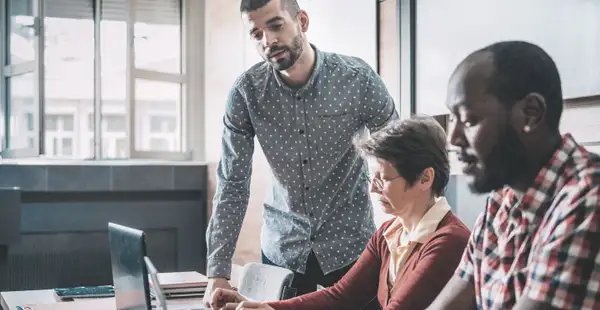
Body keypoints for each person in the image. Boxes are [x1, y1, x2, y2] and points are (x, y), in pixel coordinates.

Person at [203, 0, 398, 307]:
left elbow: (397, 154)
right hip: (283, 254)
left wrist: (406, 237)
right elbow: (232, 183)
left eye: (275, 25)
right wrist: (218, 270)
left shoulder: (358, 79)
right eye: (256, 33)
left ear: (302, 21)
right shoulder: (246, 93)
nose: (267, 41)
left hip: (352, 251)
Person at [209, 116, 471, 310]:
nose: (372, 188)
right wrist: (267, 308)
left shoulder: (449, 242)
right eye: (371, 177)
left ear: (425, 178)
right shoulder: (389, 233)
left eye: (383, 179)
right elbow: (342, 295)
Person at [427, 41, 600, 310]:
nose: (453, 138)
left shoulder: (588, 199)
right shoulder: (501, 200)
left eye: (469, 120)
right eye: (453, 120)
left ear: (531, 113)